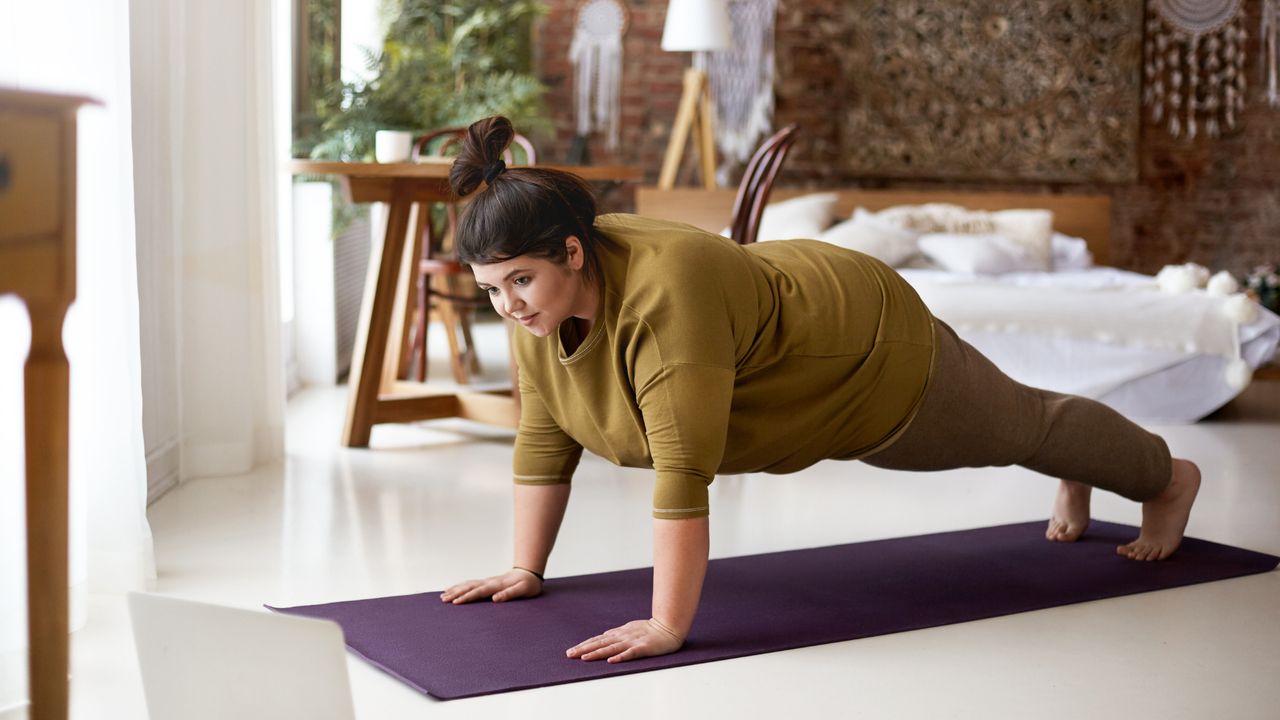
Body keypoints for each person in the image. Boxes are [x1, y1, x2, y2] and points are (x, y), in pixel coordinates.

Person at [438, 116, 1202, 665]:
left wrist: (668, 624)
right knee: (1025, 425)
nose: (509, 306)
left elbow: (683, 472)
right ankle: (1073, 456)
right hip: (799, 331)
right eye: (492, 291)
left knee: (1016, 427)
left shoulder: (668, 302)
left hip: (864, 347)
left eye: (519, 282)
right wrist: (525, 569)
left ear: (572, 252)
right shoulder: (541, 299)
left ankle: (1164, 477)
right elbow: (545, 432)